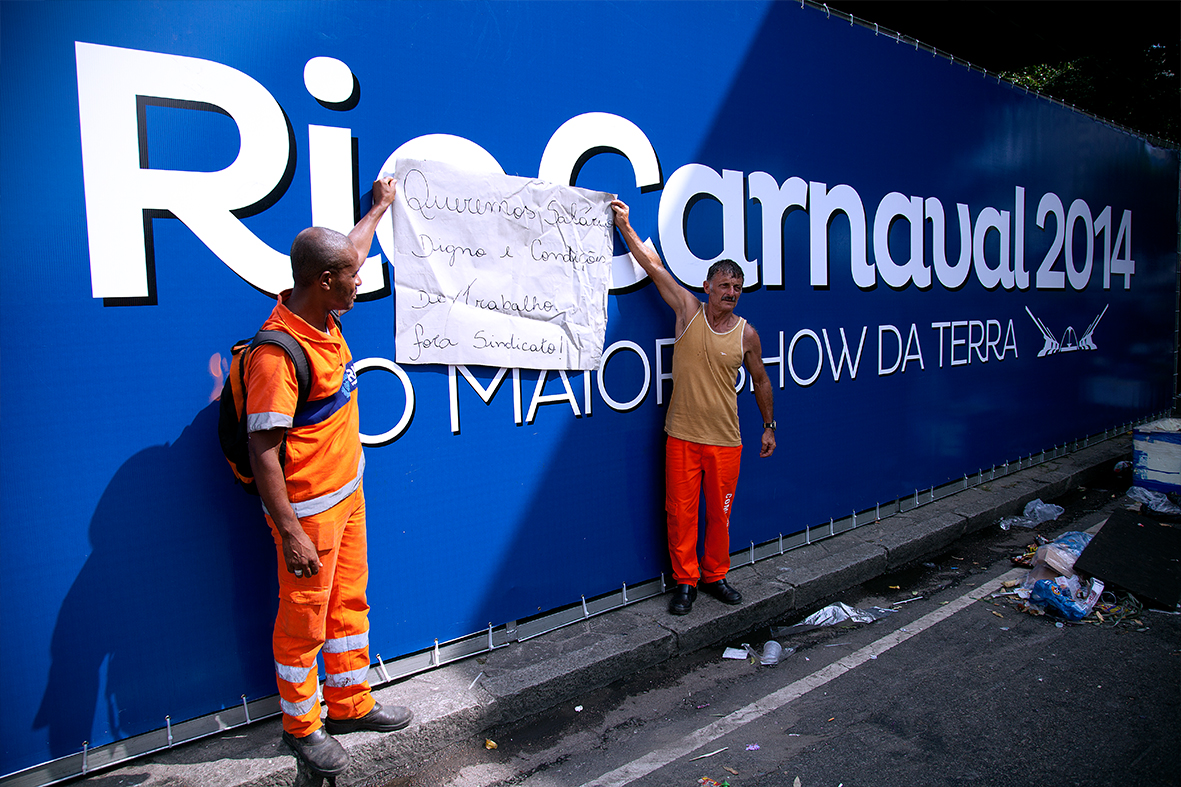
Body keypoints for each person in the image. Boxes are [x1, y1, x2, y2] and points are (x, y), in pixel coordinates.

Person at [246, 176, 410, 777]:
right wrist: (289, 532)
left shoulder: (322, 309)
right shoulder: (277, 353)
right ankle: (304, 726)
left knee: (347, 604)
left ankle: (348, 702)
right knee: (304, 622)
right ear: (323, 283)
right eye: (350, 277)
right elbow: (263, 448)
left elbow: (352, 251)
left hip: (348, 496)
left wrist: (378, 210)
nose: (359, 279)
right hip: (308, 513)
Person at [612, 199, 776, 616]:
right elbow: (653, 266)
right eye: (724, 286)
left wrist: (769, 425)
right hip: (682, 437)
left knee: (719, 517)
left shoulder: (747, 335)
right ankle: (685, 582)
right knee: (680, 514)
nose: (731, 294)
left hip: (726, 442)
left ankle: (715, 575)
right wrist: (626, 226)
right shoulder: (687, 311)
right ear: (708, 287)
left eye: (737, 288)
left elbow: (761, 380)